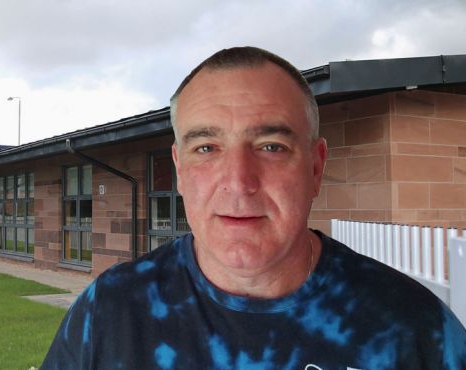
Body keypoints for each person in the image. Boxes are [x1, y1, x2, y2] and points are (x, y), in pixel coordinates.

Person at [41, 47, 466, 370]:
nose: (240, 182)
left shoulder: (412, 327)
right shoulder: (111, 311)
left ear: (316, 168)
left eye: (271, 147)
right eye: (206, 148)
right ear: (180, 172)